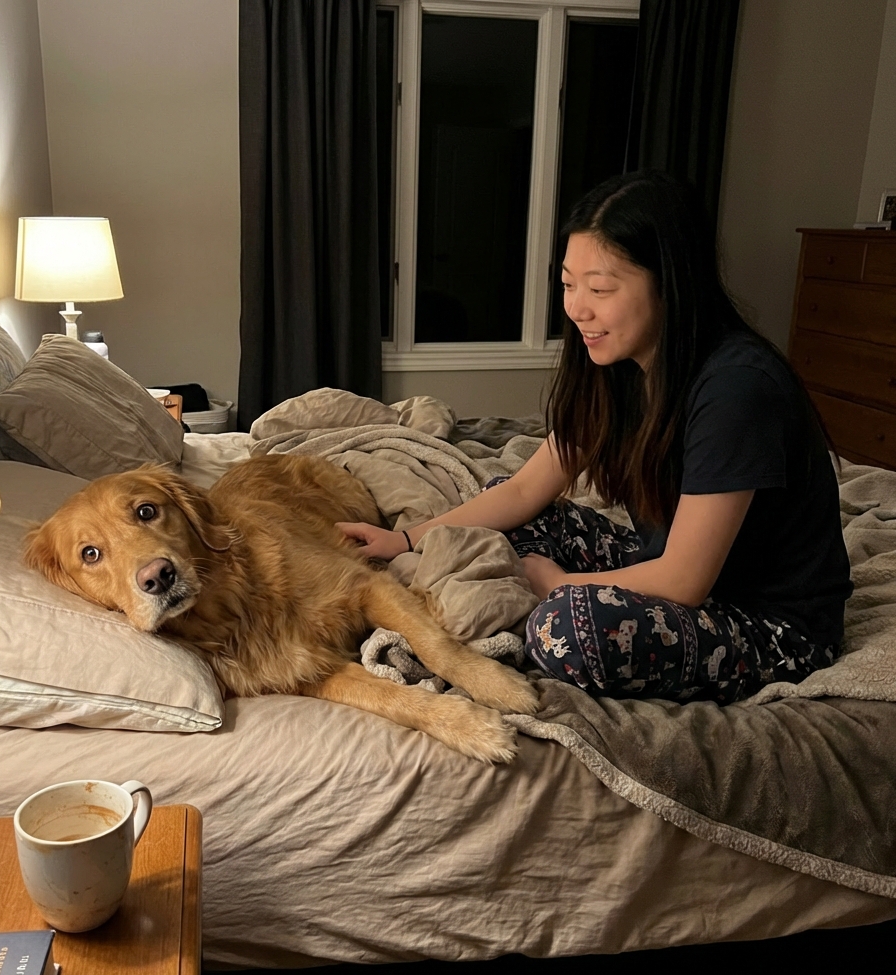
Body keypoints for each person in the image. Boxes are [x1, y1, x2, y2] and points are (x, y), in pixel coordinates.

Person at [338, 170, 851, 705]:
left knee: (563, 629)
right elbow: (522, 492)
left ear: (669, 283)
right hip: (675, 570)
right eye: (568, 284)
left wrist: (558, 585)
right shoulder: (620, 364)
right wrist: (405, 538)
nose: (578, 308)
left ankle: (534, 613)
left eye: (601, 289)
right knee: (510, 504)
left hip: (768, 623)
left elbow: (684, 581)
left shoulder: (736, 388)